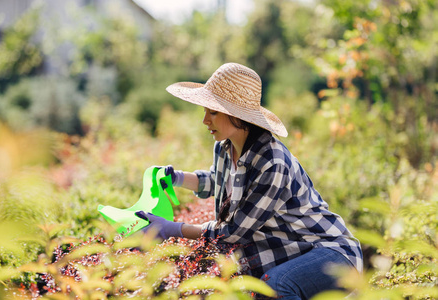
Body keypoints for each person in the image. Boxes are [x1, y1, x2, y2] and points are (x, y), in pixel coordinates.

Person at [135, 62, 363, 299]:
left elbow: (233, 232)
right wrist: (176, 178)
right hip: (294, 252)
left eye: (212, 112)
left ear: (235, 114)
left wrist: (172, 229)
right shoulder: (224, 147)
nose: (205, 120)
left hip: (330, 254)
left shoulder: (272, 163)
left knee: (275, 286)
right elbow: (216, 181)